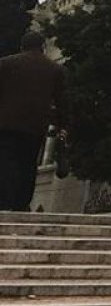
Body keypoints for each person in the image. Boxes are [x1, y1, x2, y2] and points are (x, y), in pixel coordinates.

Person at [0, 31, 67, 212]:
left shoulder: (5, 64)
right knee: (28, 165)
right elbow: (61, 102)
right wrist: (63, 126)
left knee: (6, 162)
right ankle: (21, 203)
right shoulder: (55, 69)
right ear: (43, 47)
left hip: (5, 124)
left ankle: (4, 201)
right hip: (34, 126)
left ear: (22, 46)